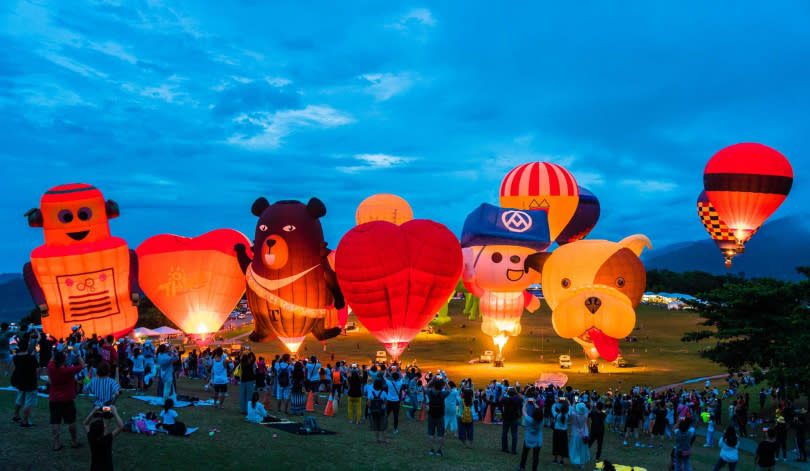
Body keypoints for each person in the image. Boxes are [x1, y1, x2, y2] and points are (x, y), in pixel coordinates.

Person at [47, 350, 85, 450]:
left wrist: (59, 352)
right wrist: (77, 354)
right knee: (71, 421)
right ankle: (74, 441)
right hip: (67, 399)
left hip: (54, 398)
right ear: (64, 361)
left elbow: (52, 359)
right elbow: (83, 365)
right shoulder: (68, 370)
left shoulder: (51, 367)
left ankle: (56, 444)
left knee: (55, 421)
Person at [83, 405, 124, 471]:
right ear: (104, 429)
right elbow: (121, 426)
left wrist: (93, 412)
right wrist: (115, 412)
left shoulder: (91, 437)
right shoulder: (107, 439)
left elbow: (85, 424)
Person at [11, 333, 39, 427]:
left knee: (19, 399)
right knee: (28, 402)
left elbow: (16, 354)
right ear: (27, 346)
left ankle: (16, 416)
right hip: (30, 382)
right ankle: (25, 421)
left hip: (20, 381)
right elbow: (36, 370)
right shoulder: (31, 358)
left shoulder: (16, 358)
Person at [517, 397, 543, 471]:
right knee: (536, 456)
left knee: (525, 454)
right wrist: (534, 403)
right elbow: (539, 411)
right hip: (538, 440)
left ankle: (522, 466)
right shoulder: (542, 421)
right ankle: (534, 469)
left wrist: (525, 403)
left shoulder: (529, 420)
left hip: (528, 439)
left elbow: (523, 411)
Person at [427, 376, 450, 457]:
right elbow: (449, 390)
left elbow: (426, 387)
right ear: (441, 387)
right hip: (440, 415)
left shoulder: (430, 393)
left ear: (433, 386)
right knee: (440, 434)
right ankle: (439, 450)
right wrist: (445, 381)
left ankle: (431, 449)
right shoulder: (442, 394)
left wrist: (432, 380)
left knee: (431, 433)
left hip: (431, 414)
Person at [501, 387, 522, 454]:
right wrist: (517, 392)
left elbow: (499, 400)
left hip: (506, 418)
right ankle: (513, 450)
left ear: (508, 393)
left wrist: (504, 392)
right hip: (514, 418)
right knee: (514, 434)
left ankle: (504, 448)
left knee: (504, 433)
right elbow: (522, 398)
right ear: (514, 393)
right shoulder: (517, 400)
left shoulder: (505, 399)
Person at [569, 402, 591, 468]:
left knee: (575, 448)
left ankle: (575, 462)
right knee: (583, 448)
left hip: (575, 434)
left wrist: (574, 404)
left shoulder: (574, 415)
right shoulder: (585, 414)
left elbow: (571, 409)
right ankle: (582, 463)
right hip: (584, 434)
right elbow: (587, 409)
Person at [368, 378, 388, 444]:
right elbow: (386, 401)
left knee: (376, 426)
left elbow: (369, 402)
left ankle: (377, 440)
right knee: (383, 426)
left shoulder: (371, 392)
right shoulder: (383, 393)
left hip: (374, 411)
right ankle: (384, 440)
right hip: (382, 411)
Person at [552, 399, 569, 466]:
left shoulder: (556, 415)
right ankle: (561, 460)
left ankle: (555, 459)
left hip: (556, 431)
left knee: (556, 444)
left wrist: (556, 403)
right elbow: (571, 407)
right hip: (564, 431)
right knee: (563, 446)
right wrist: (568, 402)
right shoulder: (567, 415)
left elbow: (552, 408)